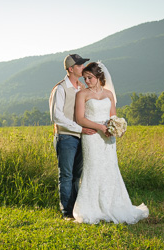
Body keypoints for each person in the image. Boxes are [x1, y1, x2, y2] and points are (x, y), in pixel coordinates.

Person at [73, 61, 149, 224]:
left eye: (90, 78)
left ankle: (112, 205)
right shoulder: (82, 94)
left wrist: (117, 128)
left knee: (110, 168)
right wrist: (100, 127)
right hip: (92, 136)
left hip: (108, 137)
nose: (87, 81)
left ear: (99, 76)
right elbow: (80, 118)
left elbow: (113, 116)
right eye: (85, 78)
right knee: (93, 168)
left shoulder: (109, 94)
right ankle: (91, 208)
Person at [49, 54, 97, 219]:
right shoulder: (60, 89)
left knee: (77, 175)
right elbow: (56, 116)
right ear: (71, 69)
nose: (83, 67)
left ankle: (76, 210)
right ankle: (67, 212)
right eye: (79, 65)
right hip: (66, 137)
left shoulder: (81, 88)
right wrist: (79, 129)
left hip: (81, 137)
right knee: (67, 175)